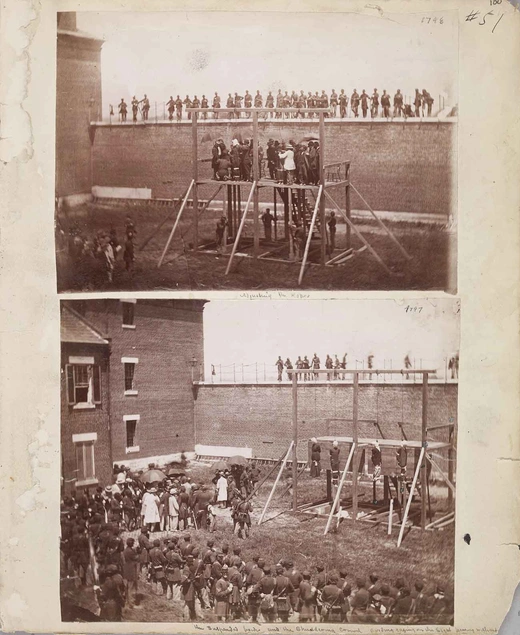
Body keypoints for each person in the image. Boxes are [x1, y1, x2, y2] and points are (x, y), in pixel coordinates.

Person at [122, 537, 139, 607]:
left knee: (125, 586)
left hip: (125, 568)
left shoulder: (125, 550)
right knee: (131, 587)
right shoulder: (131, 552)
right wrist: (138, 553)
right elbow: (137, 558)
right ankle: (131, 602)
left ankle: (126, 601)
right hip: (131, 569)